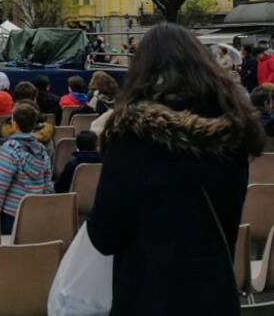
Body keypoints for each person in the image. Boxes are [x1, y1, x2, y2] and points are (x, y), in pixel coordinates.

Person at [87, 22, 264, 316]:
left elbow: (104, 235)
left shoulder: (133, 137)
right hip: (214, 296)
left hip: (148, 297)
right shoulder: (232, 135)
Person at [0, 103, 53, 235]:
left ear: (15, 124)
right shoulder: (42, 150)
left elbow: (0, 188)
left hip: (11, 216)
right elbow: (47, 186)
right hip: (36, 214)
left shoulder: (9, 149)